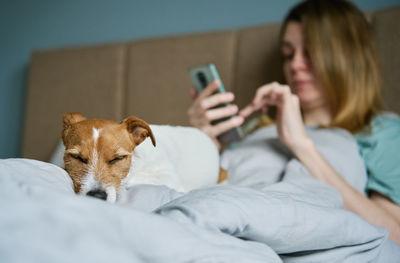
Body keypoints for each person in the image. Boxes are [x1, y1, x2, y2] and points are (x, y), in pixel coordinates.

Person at [187, 0, 400, 244]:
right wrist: (201, 144)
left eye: (311, 53)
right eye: (288, 54)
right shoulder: (256, 127)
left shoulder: (381, 131)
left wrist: (302, 146)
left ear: (348, 57)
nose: (295, 65)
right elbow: (212, 184)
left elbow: (394, 236)